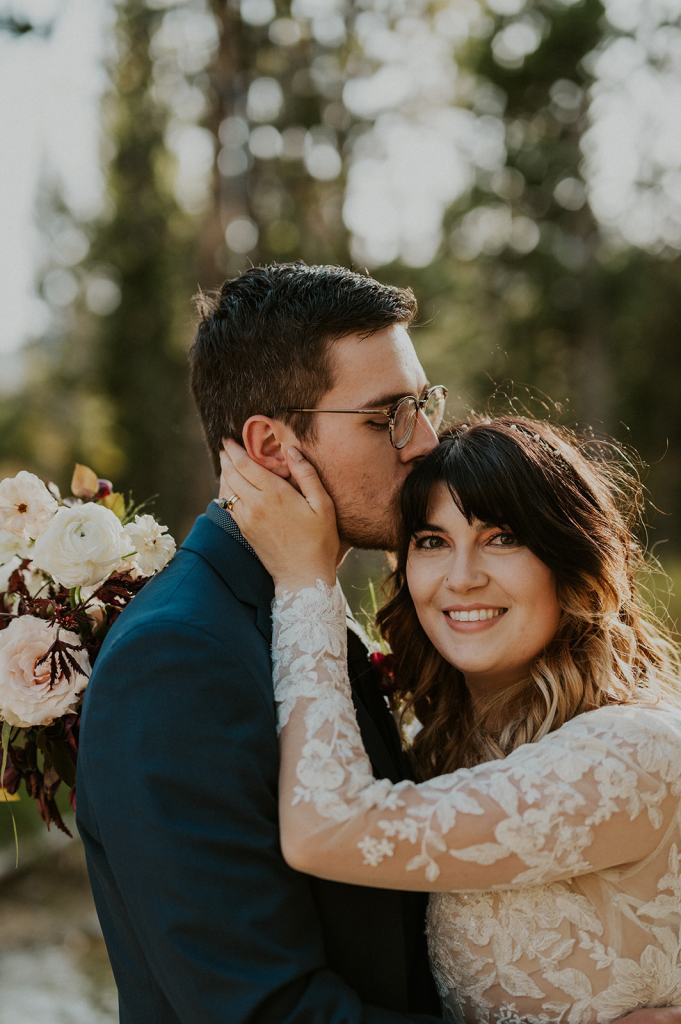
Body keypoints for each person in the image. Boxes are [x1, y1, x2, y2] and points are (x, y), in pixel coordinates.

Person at [76, 261, 447, 1023]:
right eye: (389, 415)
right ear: (273, 447)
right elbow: (263, 1010)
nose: (426, 442)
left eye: (424, 404)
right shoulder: (177, 659)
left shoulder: (294, 603)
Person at [219, 414, 681, 1023]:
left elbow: (325, 828)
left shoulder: (631, 753)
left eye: (502, 538)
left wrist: (306, 582)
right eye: (432, 542)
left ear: (569, 560)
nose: (462, 579)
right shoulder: (436, 741)